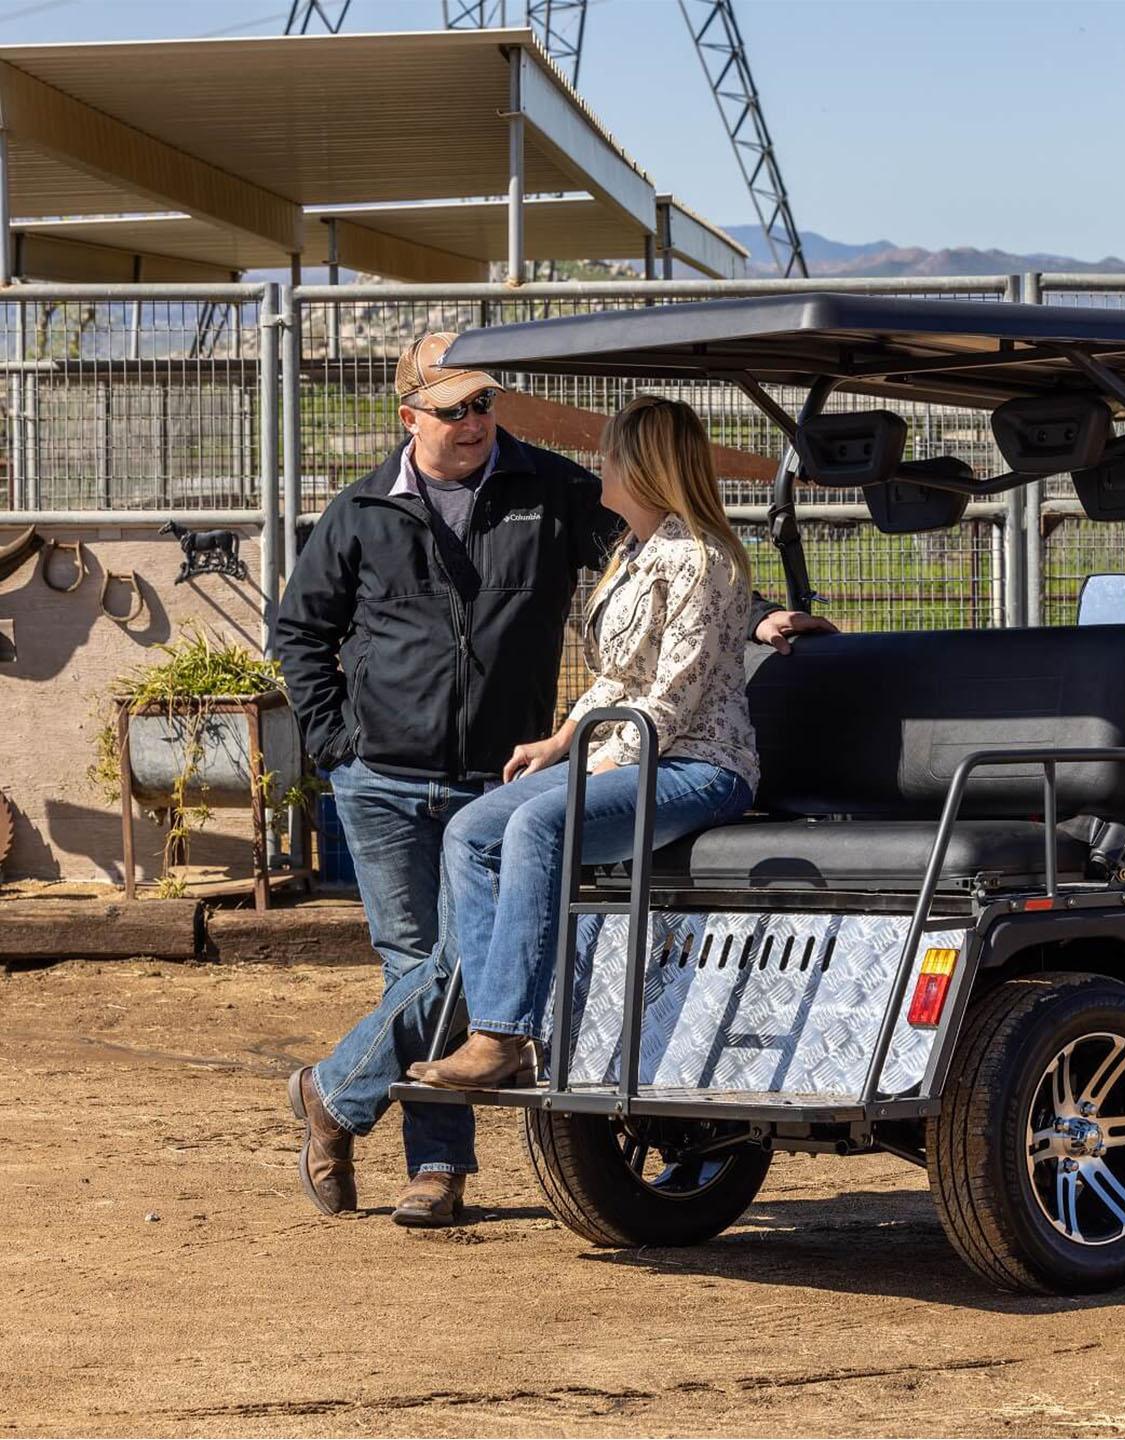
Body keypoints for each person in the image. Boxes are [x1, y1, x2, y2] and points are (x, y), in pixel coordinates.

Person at [276, 332, 828, 1228]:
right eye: (456, 409)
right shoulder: (360, 510)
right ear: (410, 416)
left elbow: (678, 575)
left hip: (495, 768)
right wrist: (341, 742)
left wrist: (758, 620)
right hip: (380, 781)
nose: (477, 422)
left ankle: (358, 1111)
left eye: (486, 404)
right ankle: (427, 1154)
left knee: (453, 966)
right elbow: (300, 634)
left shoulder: (551, 488)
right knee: (413, 965)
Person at [411, 396, 756, 1089]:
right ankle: (499, 1025)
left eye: (612, 454)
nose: (601, 466)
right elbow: (617, 676)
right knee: (472, 829)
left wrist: (597, 760)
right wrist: (562, 738)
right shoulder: (634, 551)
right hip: (632, 753)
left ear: (646, 466)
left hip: (697, 764)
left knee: (540, 825)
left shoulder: (698, 559)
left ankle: (504, 1035)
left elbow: (671, 699)